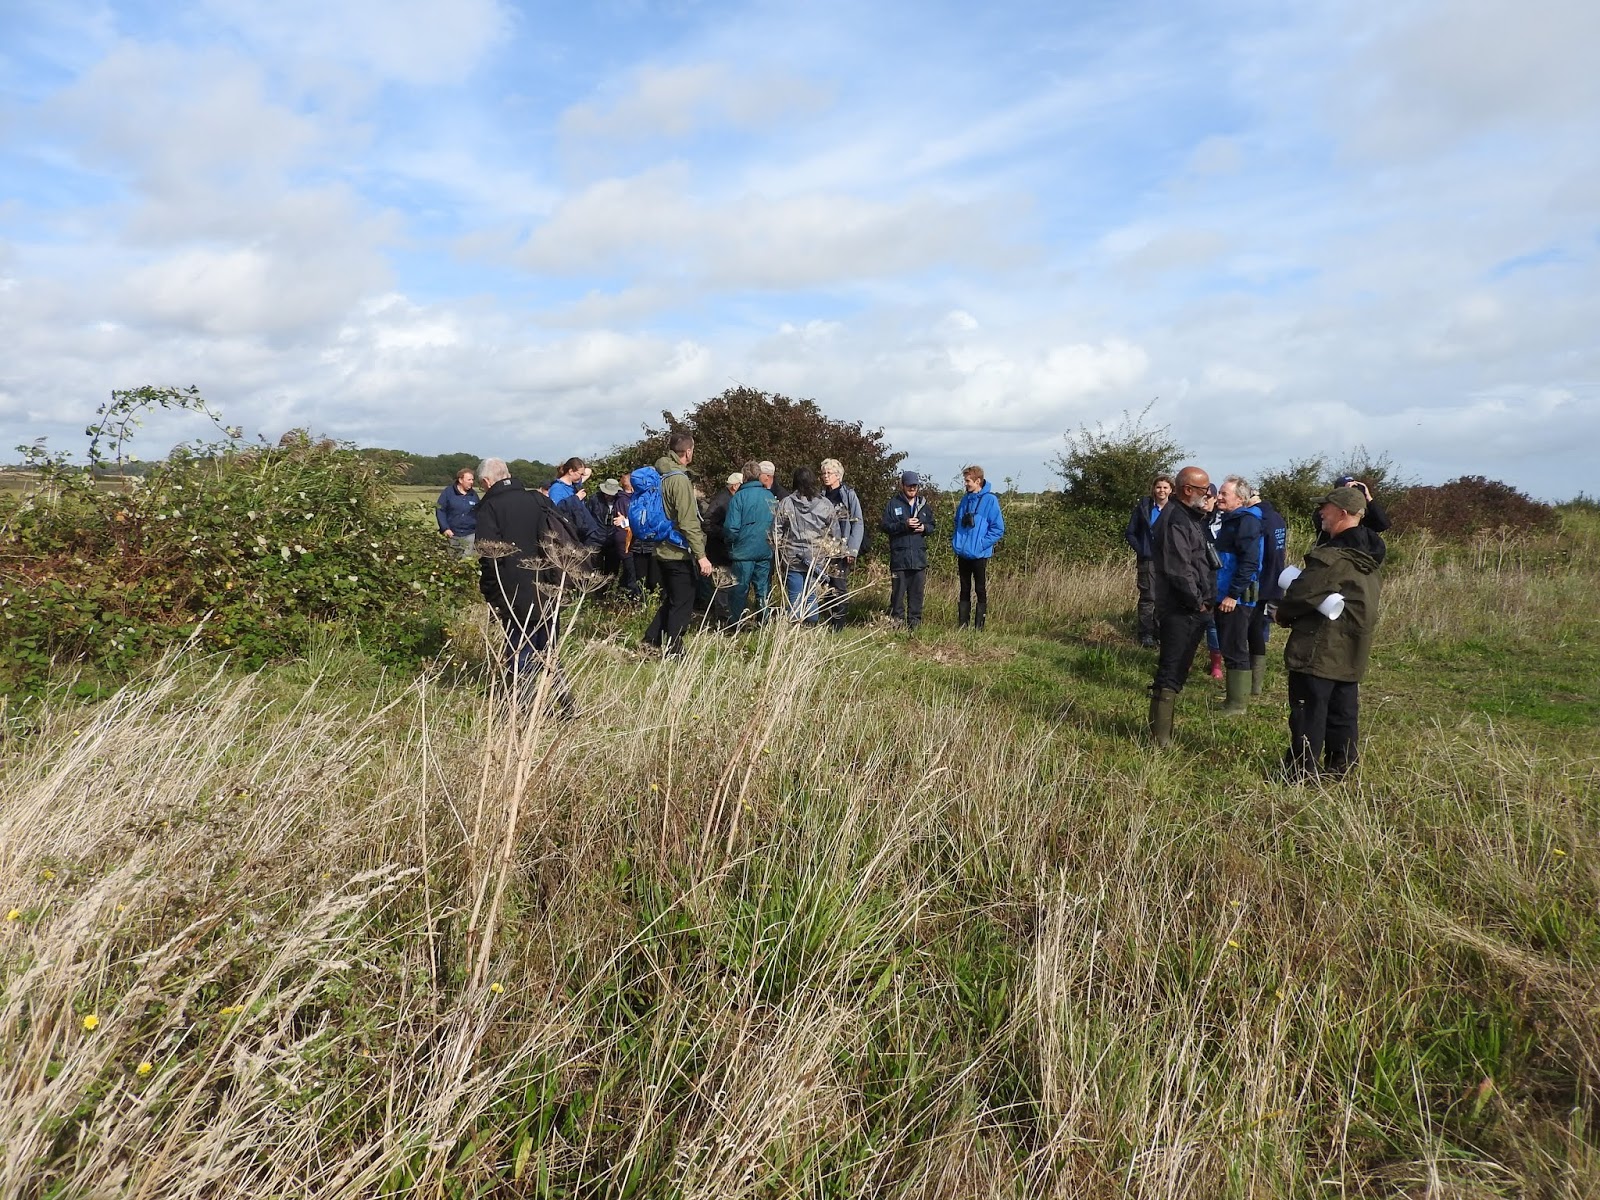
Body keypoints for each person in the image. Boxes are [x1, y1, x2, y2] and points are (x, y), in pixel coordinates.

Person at [1276, 486, 1385, 779]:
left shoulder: (1332, 557)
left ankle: (1301, 773)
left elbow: (1302, 593)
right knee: (1343, 712)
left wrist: (1281, 613)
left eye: (1326, 507)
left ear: (1343, 513)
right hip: (1352, 649)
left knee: (1309, 710)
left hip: (1320, 647)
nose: (1321, 512)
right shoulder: (1371, 555)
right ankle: (1342, 769)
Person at [472, 457, 575, 715]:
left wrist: (490, 593)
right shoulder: (538, 499)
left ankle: (524, 708)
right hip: (549, 585)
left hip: (515, 590)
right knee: (548, 648)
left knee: (520, 649)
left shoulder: (490, 507)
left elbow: (488, 557)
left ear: (486, 481)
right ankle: (566, 702)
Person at [1147, 466, 1217, 747]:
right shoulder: (1176, 520)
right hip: (1181, 608)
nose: (1208, 496)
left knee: (1178, 669)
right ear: (1188, 490)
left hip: (1191, 607)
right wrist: (1197, 603)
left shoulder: (1190, 517)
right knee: (1170, 669)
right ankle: (1160, 738)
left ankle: (1163, 733)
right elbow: (1179, 569)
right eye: (1204, 490)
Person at [639, 433, 713, 658]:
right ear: (688, 452)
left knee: (673, 598)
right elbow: (688, 521)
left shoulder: (660, 475)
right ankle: (674, 650)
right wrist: (701, 555)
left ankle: (651, 640)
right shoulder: (679, 480)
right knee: (683, 601)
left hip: (660, 548)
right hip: (677, 550)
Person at [1212, 476, 1265, 715]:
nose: (1219, 497)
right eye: (1220, 493)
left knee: (1235, 646)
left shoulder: (1247, 522)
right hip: (1224, 593)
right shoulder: (1231, 520)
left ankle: (1237, 704)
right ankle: (1234, 696)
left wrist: (1233, 594)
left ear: (1240, 499)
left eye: (1224, 494)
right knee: (1228, 644)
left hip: (1237, 598)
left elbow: (1250, 562)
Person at [774, 467, 840, 623]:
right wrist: (830, 552)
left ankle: (794, 630)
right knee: (811, 595)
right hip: (816, 557)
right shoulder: (825, 504)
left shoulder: (787, 503)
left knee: (794, 594)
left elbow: (776, 530)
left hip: (792, 557)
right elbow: (834, 532)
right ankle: (810, 626)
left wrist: (778, 549)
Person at [950, 464, 1005, 630]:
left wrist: (981, 545)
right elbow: (957, 522)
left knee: (980, 589)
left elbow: (998, 529)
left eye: (968, 481)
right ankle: (963, 626)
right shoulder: (965, 499)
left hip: (979, 554)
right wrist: (957, 541)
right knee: (964, 588)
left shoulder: (990, 500)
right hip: (963, 552)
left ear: (978, 481)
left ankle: (979, 627)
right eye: (965, 481)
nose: (965, 484)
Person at [723, 458, 775, 627]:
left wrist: (730, 543)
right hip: (765, 550)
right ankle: (763, 623)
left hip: (743, 552)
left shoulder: (738, 497)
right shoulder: (769, 496)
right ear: (759, 475)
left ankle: (735, 624)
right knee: (762, 590)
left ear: (744, 476)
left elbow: (731, 527)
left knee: (739, 590)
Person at [881, 471, 934, 631]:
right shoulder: (893, 504)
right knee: (898, 595)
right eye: (909, 485)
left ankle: (915, 627)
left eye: (915, 485)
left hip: (918, 558)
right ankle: (896, 626)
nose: (912, 488)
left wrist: (924, 527)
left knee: (916, 595)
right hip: (899, 558)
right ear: (902, 485)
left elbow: (932, 526)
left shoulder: (924, 505)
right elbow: (885, 526)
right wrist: (904, 524)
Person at [1124, 475, 1171, 646]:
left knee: (1164, 598)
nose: (1162, 491)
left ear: (1171, 490)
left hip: (1169, 560)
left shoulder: (1174, 509)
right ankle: (1145, 634)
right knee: (1148, 597)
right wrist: (1142, 550)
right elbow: (1130, 532)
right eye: (1159, 487)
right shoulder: (1143, 508)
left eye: (1165, 487)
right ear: (1153, 489)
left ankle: (1161, 633)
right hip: (1148, 559)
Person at [1250, 493, 1289, 695]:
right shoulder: (1277, 517)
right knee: (1258, 629)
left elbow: (1258, 554)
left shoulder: (1259, 519)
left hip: (1261, 581)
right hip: (1273, 578)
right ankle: (1254, 685)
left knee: (1254, 630)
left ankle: (1252, 685)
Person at [819, 458, 864, 631]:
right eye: (823, 473)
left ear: (838, 475)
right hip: (823, 549)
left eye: (829, 473)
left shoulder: (848, 495)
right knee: (824, 586)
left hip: (841, 549)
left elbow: (858, 523)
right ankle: (827, 621)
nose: (825, 476)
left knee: (839, 586)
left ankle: (838, 624)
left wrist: (852, 550)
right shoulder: (820, 496)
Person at [436, 467, 479, 556]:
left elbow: (479, 512)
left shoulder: (473, 495)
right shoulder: (448, 492)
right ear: (460, 480)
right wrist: (445, 528)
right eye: (469, 479)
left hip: (469, 534)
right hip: (452, 534)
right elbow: (440, 510)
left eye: (472, 480)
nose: (471, 482)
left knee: (466, 560)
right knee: (453, 560)